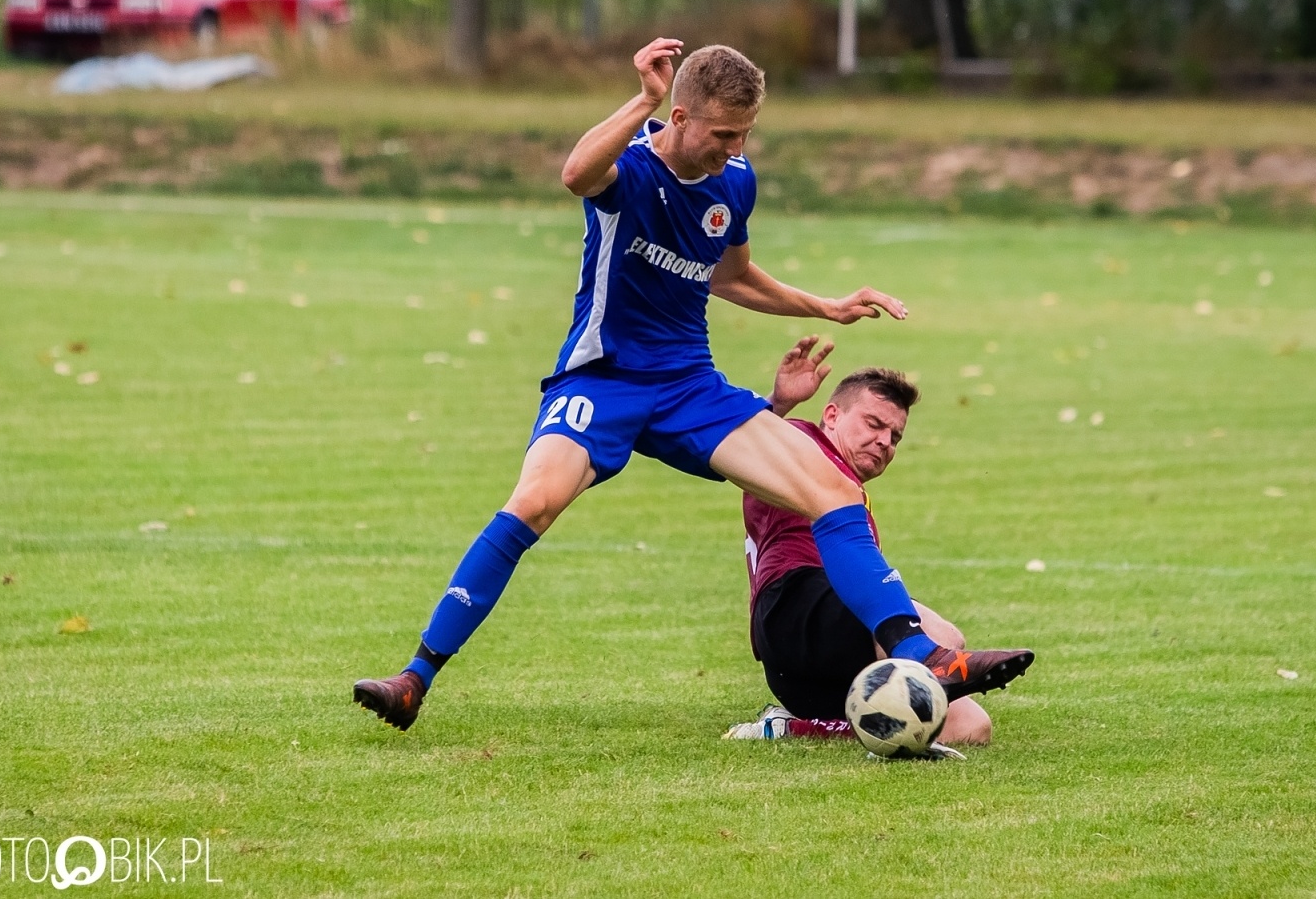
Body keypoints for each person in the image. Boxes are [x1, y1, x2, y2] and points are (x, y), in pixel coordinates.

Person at [353, 39, 1032, 731]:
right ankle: (415, 677)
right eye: (724, 134)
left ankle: (923, 653)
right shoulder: (633, 171)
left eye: (747, 134)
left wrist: (823, 305)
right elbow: (574, 173)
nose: (736, 149)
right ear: (680, 116)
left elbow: (731, 276)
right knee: (533, 502)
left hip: (688, 386)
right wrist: (641, 101)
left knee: (833, 489)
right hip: (604, 378)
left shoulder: (735, 182)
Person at [724, 338, 1032, 748]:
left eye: (895, 436)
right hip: (792, 610)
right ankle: (931, 662)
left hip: (811, 671)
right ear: (831, 415)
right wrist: (778, 405)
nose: (886, 441)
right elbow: (741, 443)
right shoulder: (802, 444)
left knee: (970, 727)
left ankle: (794, 727)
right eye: (874, 424)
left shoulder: (851, 502)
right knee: (942, 636)